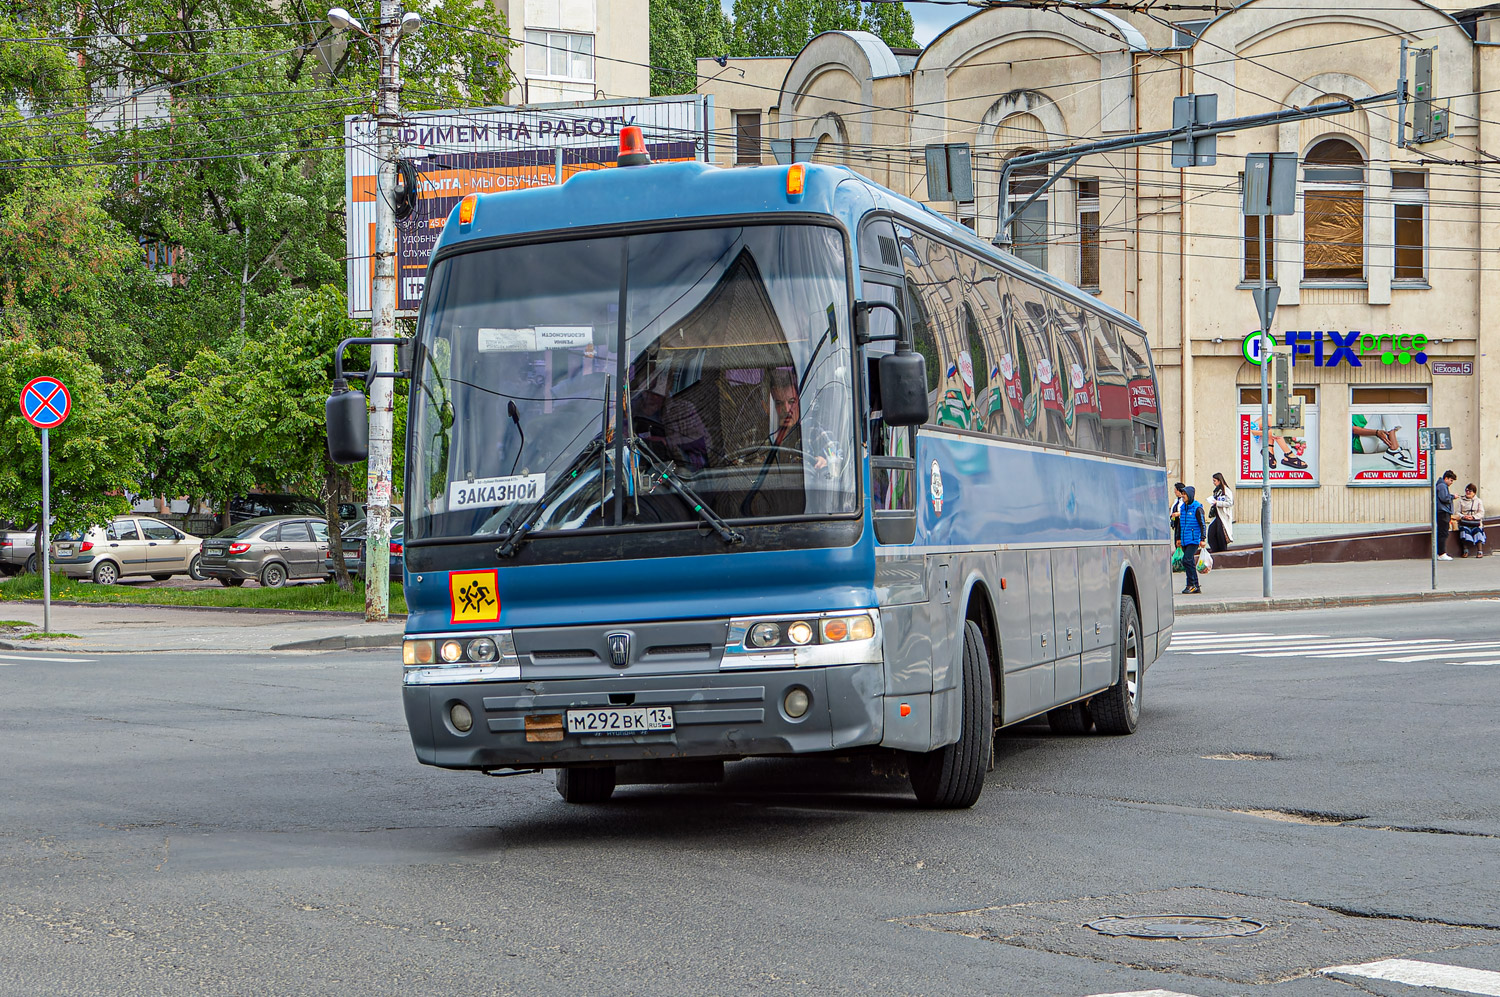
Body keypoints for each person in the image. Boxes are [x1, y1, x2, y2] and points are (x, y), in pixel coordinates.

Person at [1174, 482, 1207, 594]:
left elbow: (1203, 524)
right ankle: (1194, 586)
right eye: (1182, 493)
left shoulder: (1197, 508)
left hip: (1193, 539)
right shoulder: (1183, 508)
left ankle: (1191, 584)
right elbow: (1180, 524)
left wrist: (1202, 539)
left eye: (1185, 494)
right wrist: (1178, 538)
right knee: (1190, 562)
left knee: (1186, 560)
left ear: (1190, 495)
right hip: (1184, 539)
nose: (1183, 496)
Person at [1207, 471, 1234, 553]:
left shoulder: (1226, 490)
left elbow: (1230, 502)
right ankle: (1215, 549)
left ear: (1219, 481)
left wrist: (1218, 503)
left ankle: (1222, 551)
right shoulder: (1217, 491)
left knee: (1221, 534)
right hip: (1217, 515)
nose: (1213, 483)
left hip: (1223, 515)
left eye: (1214, 481)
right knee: (1211, 533)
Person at [1457, 482, 1487, 558]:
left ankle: (1480, 551)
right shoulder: (1461, 501)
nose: (1468, 492)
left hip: (1475, 522)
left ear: (1474, 492)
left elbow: (1481, 512)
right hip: (1465, 522)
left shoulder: (1478, 501)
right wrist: (1464, 516)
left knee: (1478, 532)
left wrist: (1473, 517)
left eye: (1470, 491)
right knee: (1464, 532)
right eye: (1466, 490)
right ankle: (1465, 550)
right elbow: (1457, 512)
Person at [1436, 470, 1457, 560]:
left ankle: (1440, 553)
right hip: (1443, 512)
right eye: (1451, 480)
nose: (1451, 483)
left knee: (1442, 532)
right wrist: (1453, 497)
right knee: (1443, 533)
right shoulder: (1442, 486)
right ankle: (1441, 553)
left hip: (1442, 512)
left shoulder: (1441, 485)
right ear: (1446, 478)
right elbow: (1444, 498)